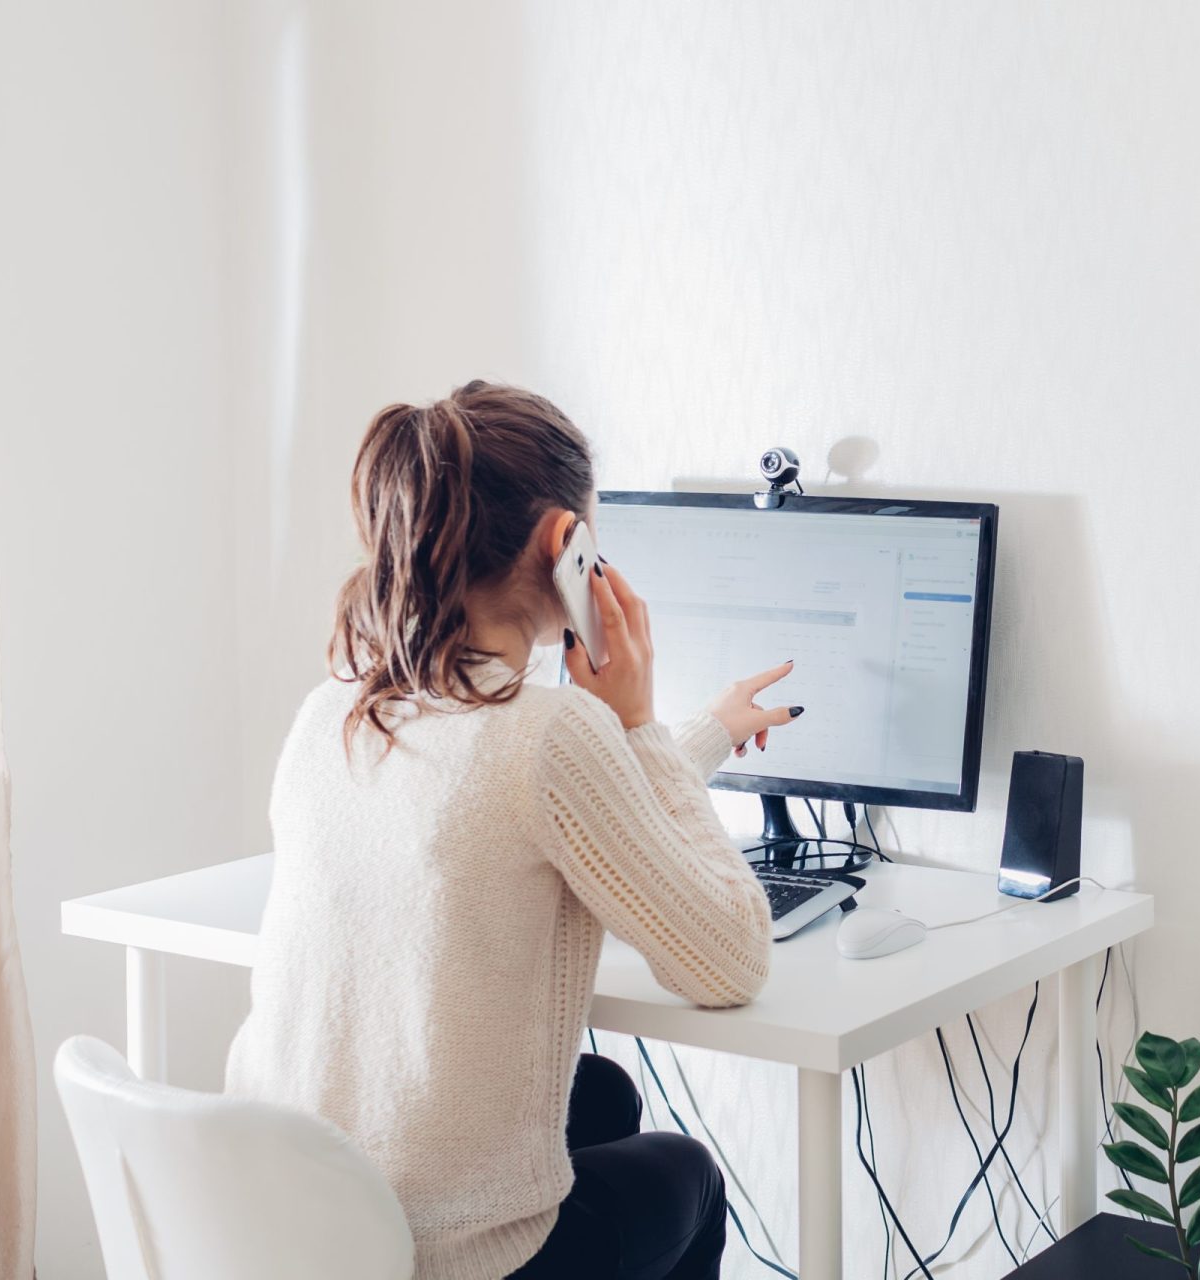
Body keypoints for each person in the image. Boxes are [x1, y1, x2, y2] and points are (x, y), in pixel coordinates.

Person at [226, 381, 798, 1280]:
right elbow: (731, 960)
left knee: (600, 1095)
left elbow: (566, 812)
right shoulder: (551, 734)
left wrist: (707, 732)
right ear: (566, 543)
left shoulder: (333, 709)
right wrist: (638, 725)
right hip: (441, 1257)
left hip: (296, 1228)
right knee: (688, 1176)